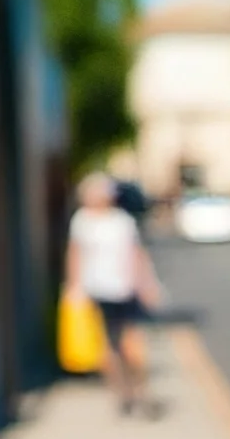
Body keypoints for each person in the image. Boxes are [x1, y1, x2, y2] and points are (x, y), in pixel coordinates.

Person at [65, 168, 162, 413]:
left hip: (126, 288)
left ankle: (140, 390)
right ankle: (121, 393)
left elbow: (136, 254)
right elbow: (75, 254)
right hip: (97, 289)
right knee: (108, 345)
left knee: (133, 342)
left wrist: (147, 284)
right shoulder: (82, 221)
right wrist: (74, 286)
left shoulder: (121, 221)